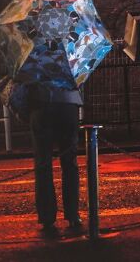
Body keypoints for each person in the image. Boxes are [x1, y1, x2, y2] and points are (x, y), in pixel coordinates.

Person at [26, 82, 84, 237]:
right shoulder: (72, 57)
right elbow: (80, 78)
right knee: (69, 162)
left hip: (41, 104)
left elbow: (24, 81)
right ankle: (73, 215)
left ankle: (47, 217)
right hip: (68, 103)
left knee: (43, 165)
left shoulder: (34, 58)